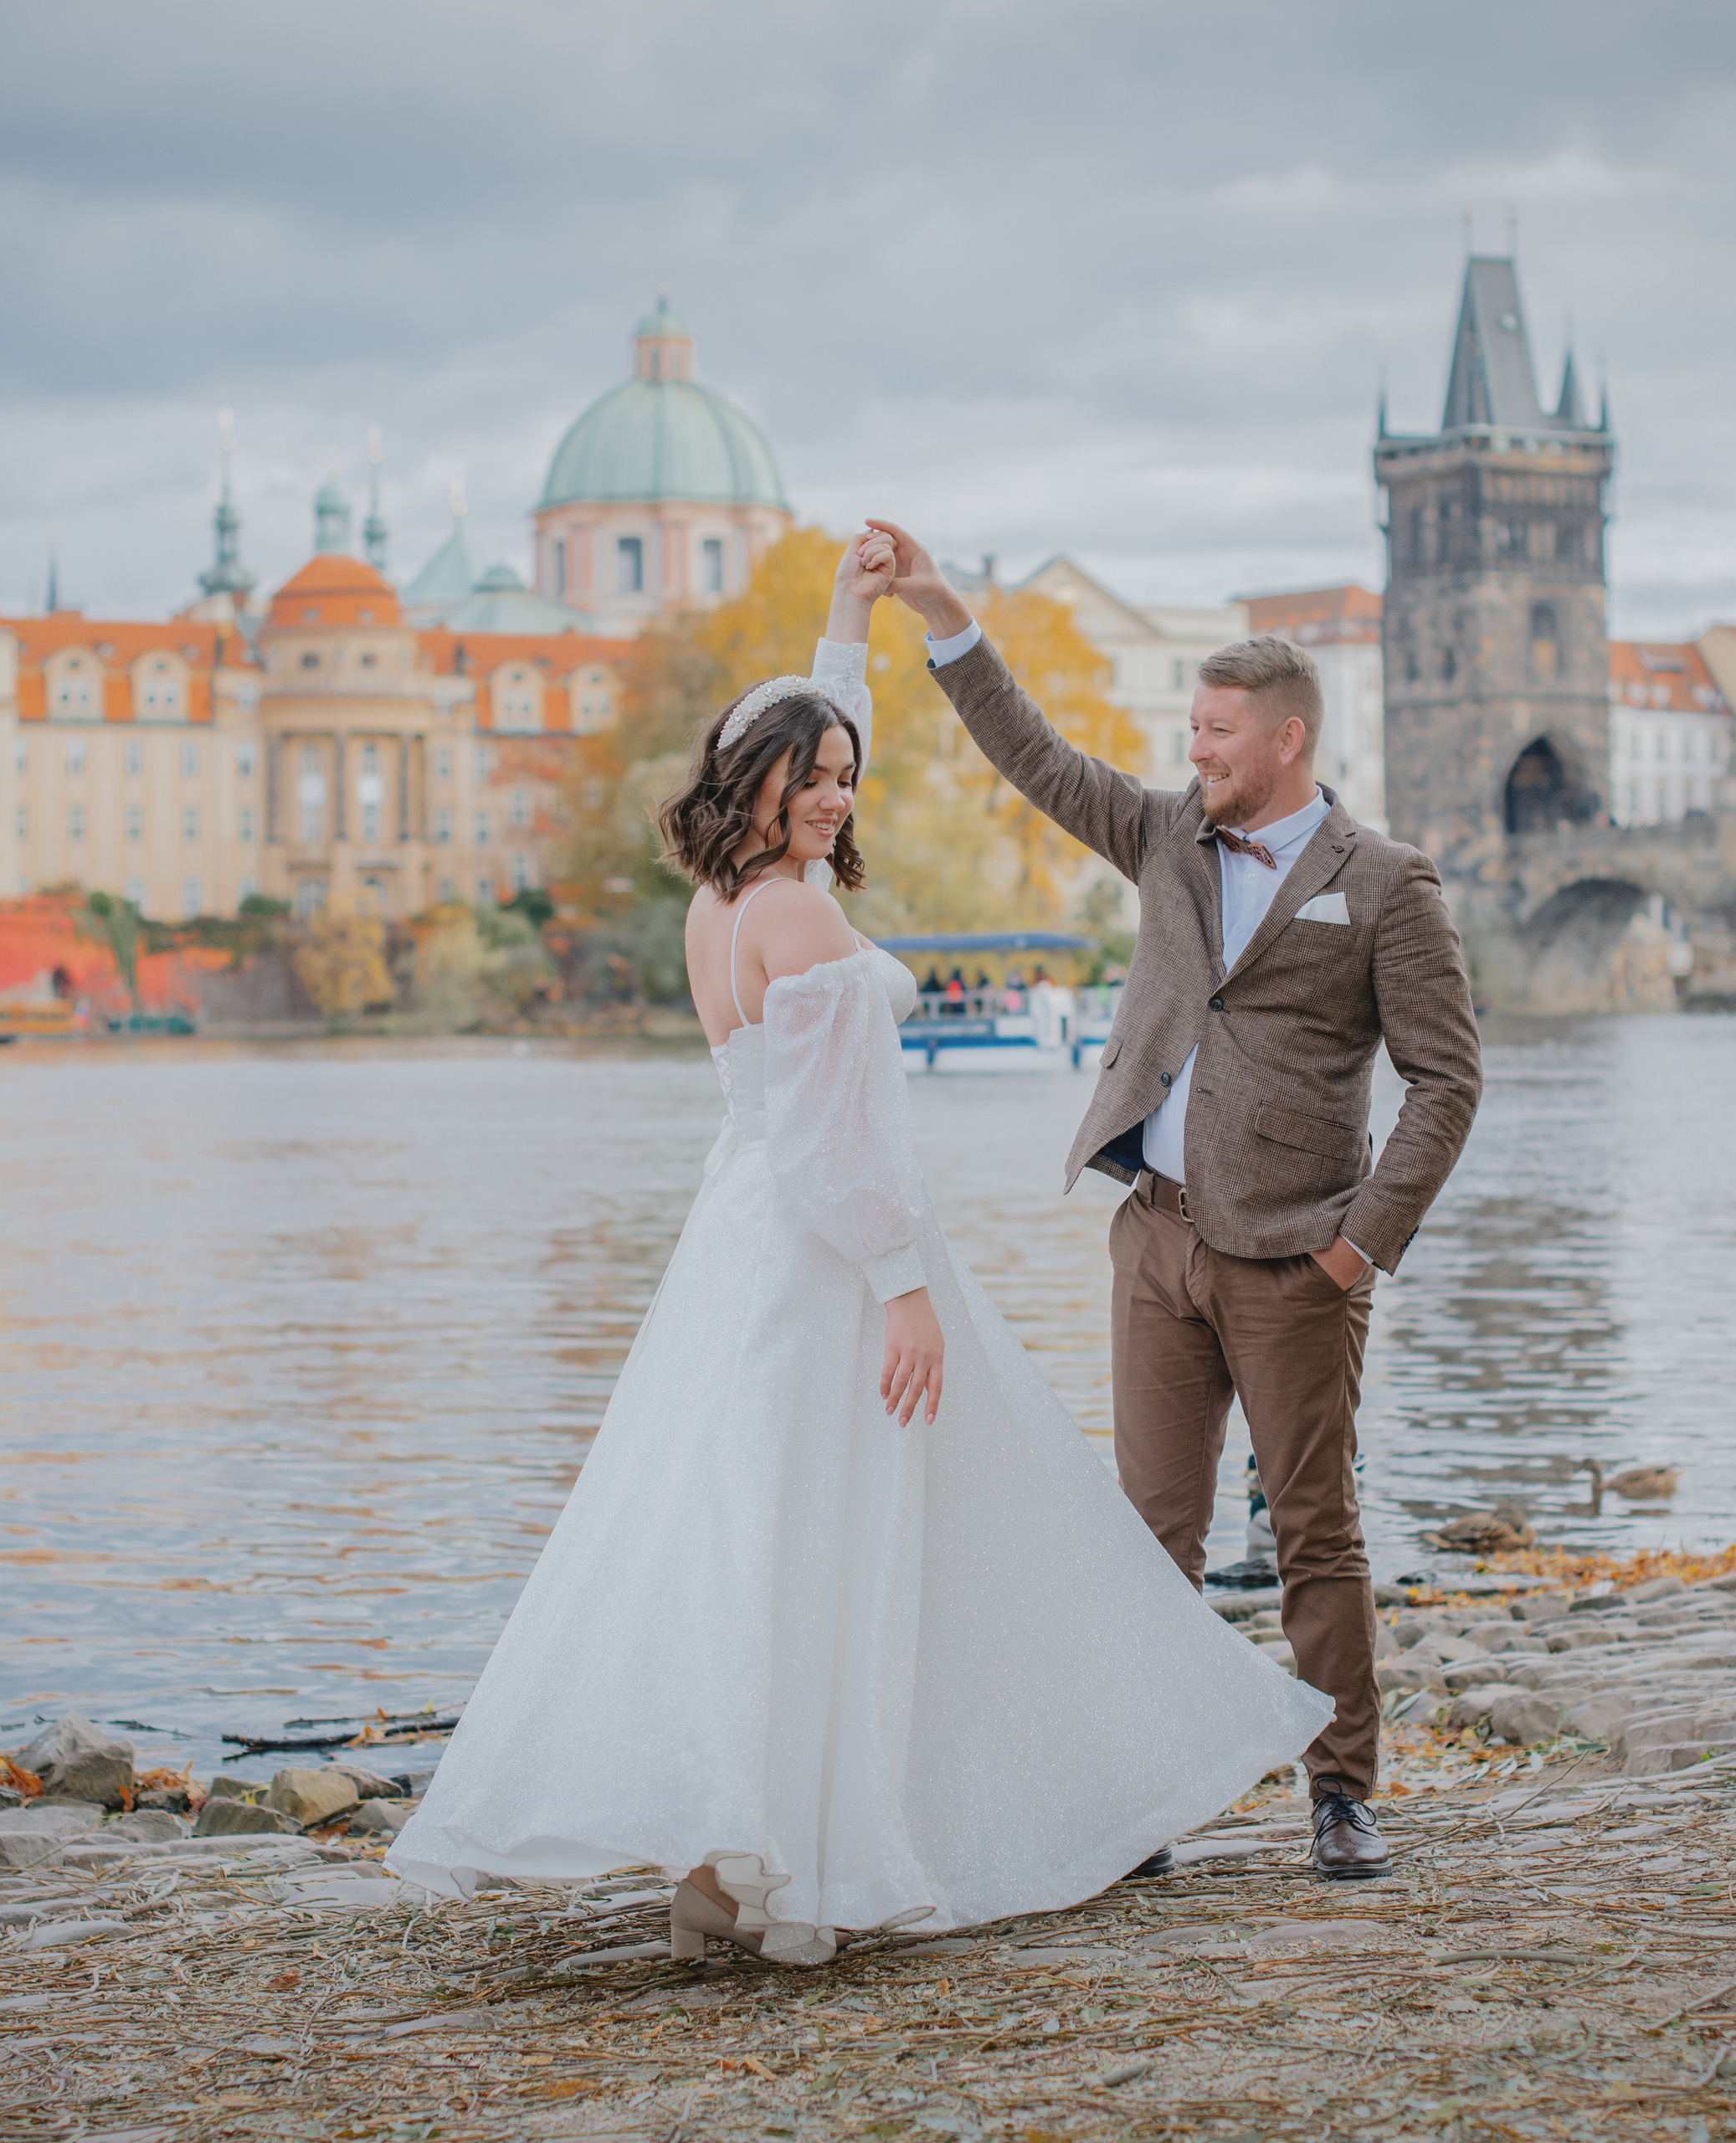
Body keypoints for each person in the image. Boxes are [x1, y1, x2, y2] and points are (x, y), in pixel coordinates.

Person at [386, 532, 1330, 1963]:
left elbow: (813, 746)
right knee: (851, 1534)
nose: (834, 795)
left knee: (758, 1530)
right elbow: (845, 1144)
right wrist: (905, 1292)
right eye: (809, 778)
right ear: (751, 784)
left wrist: (849, 619)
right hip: (832, 1249)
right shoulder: (798, 915)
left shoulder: (725, 901)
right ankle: (822, 1847)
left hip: (745, 1236)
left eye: (844, 777)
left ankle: (737, 1849)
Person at [871, 518, 1482, 1879]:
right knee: (1150, 1537)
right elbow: (1033, 755)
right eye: (1192, 728)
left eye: (1216, 732)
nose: (1194, 750)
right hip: (1153, 1241)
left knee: (1316, 1533)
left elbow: (1446, 1082)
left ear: (1286, 741)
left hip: (1294, 1264)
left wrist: (1356, 1249)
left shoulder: (1385, 887)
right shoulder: (1160, 836)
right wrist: (943, 616)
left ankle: (1340, 1792)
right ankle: (1144, 1798)